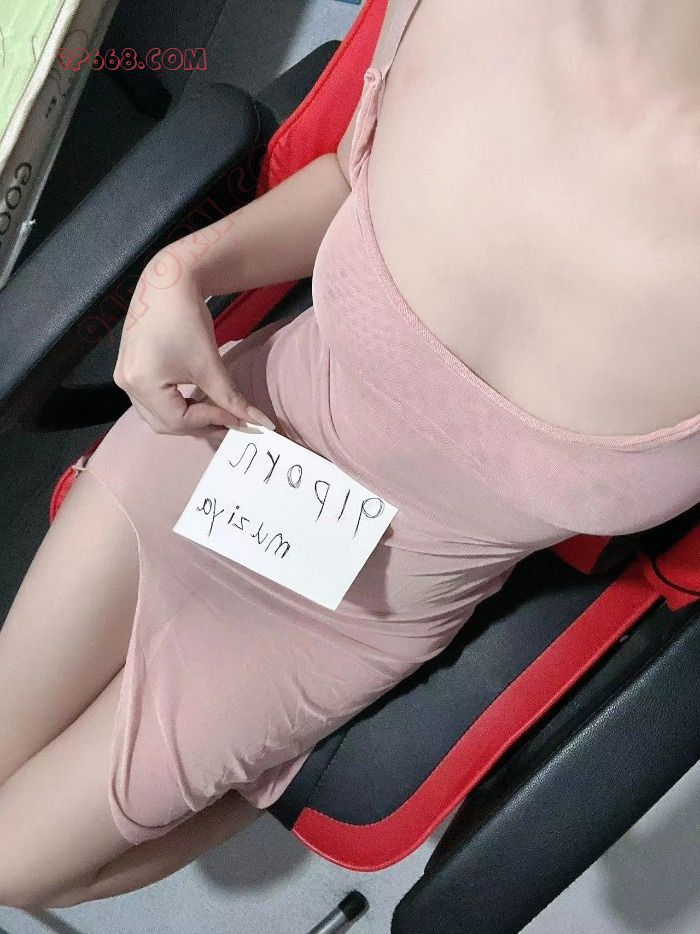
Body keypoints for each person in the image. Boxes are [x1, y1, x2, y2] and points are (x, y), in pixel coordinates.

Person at [1, 0, 699, 909]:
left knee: (12, 867)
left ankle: (254, 778)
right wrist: (184, 269)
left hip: (353, 616)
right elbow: (349, 175)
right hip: (226, 445)